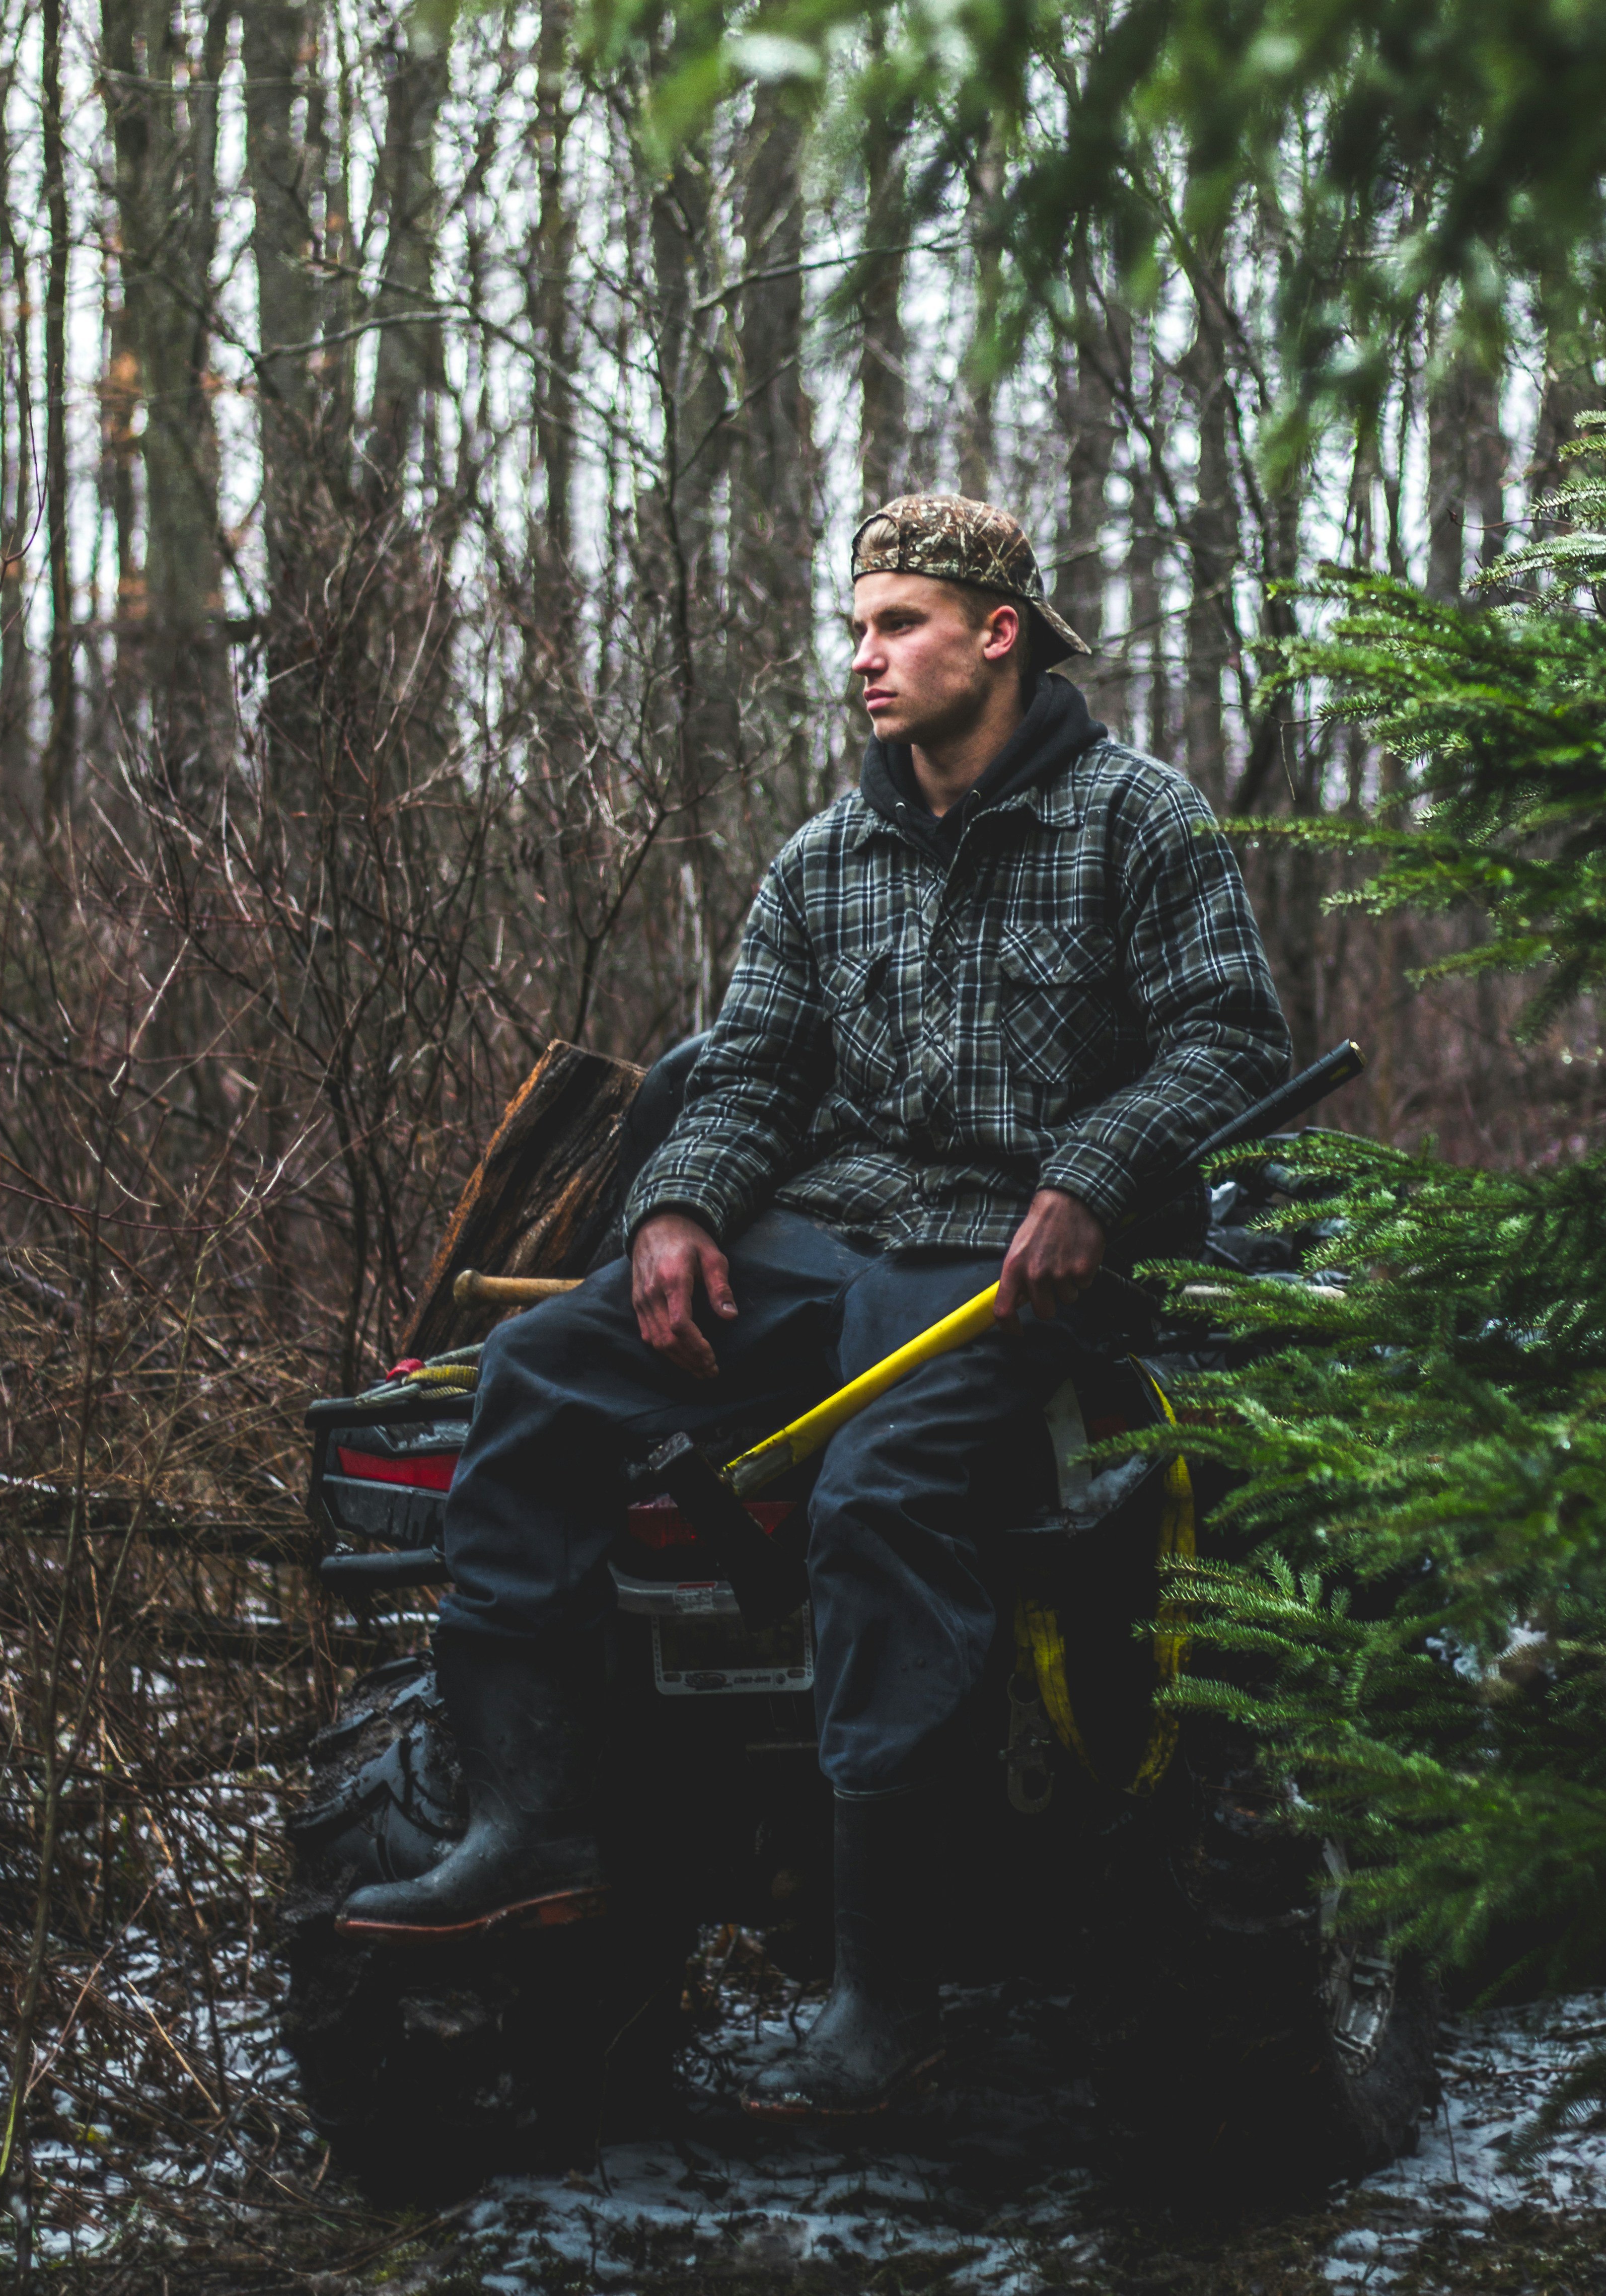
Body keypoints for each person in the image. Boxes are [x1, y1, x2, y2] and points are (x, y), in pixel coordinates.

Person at [337, 493, 1291, 2114]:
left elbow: (1229, 1044)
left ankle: (886, 1988)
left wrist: (1096, 1176)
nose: (865, 659)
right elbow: (753, 1069)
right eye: (856, 628)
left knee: (876, 1498)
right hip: (822, 1234)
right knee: (537, 1379)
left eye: (898, 622)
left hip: (994, 1252)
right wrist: (679, 1211)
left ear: (998, 633)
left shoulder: (1145, 825)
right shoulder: (822, 859)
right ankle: (525, 1828)